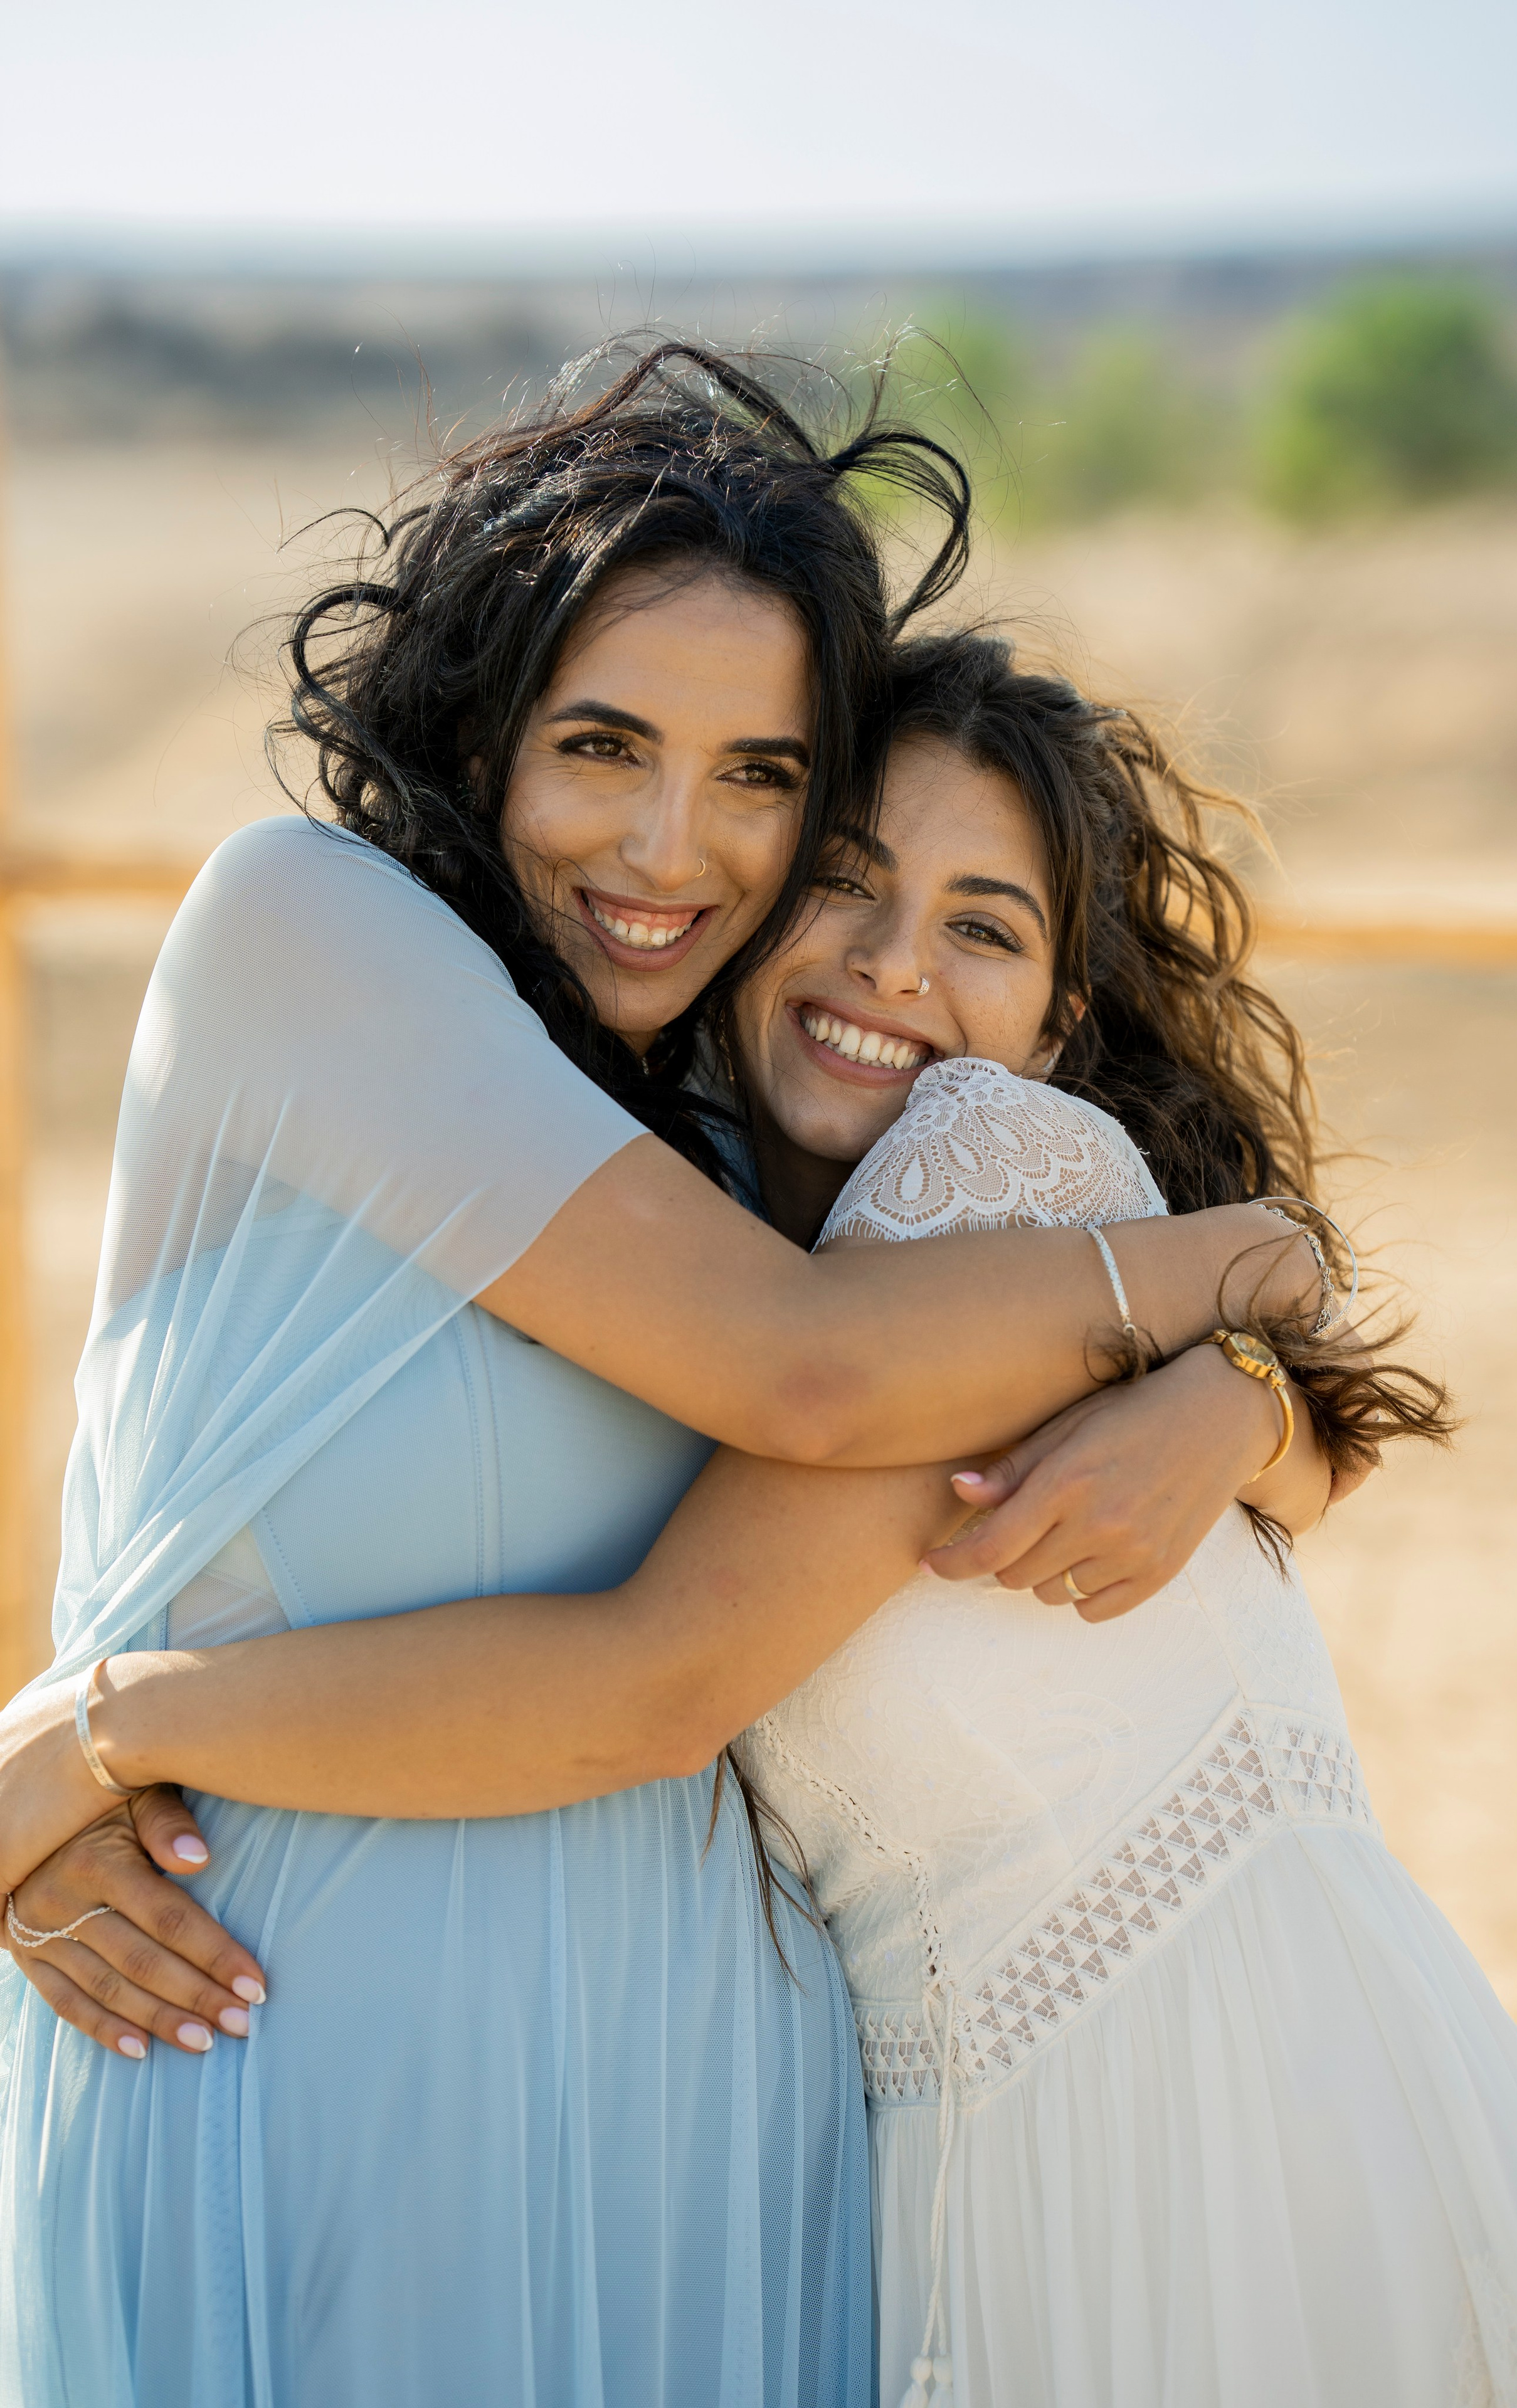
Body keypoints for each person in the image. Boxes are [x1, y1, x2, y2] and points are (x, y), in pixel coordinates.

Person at [0, 349, 1331, 2408]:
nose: (666, 846)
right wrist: (1248, 1264)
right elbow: (807, 1382)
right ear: (478, 728)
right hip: (295, 2073)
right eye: (601, 745)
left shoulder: (734, 1129)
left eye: (760, 776)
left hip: (701, 2128)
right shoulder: (307, 933)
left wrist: (1246, 1371)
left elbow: (1080, 1461)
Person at [725, 633, 1517, 2408]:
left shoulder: (987, 1170)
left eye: (984, 928)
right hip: (1003, 2169)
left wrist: (1252, 1382)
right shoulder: (729, 1233)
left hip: (1208, 2141)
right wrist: (1252, 1372)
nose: (894, 962)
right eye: (844, 881)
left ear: (1054, 1027)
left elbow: (653, 1670)